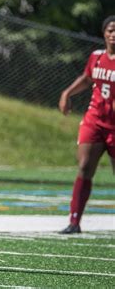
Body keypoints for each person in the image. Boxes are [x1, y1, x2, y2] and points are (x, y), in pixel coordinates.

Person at [58, 15, 115, 234]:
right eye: (110, 30)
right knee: (84, 167)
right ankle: (74, 221)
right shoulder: (96, 57)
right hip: (95, 120)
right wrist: (67, 93)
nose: (113, 34)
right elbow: (87, 77)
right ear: (104, 33)